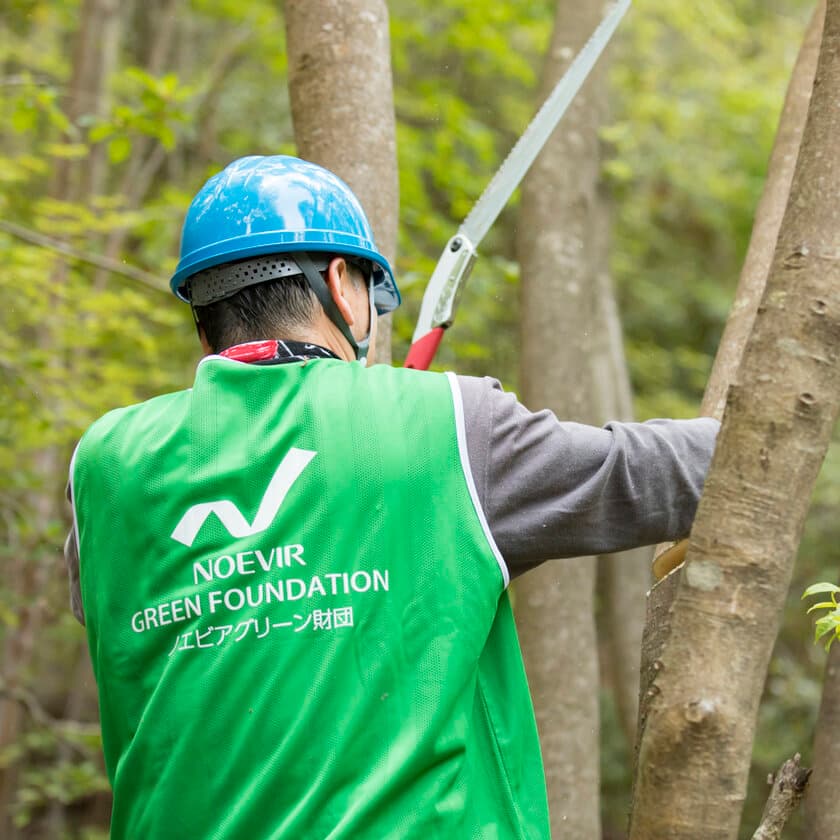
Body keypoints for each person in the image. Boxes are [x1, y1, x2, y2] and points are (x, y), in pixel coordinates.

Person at [66, 154, 718, 839]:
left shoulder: (104, 465)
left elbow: (115, 608)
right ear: (343, 289)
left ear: (203, 320)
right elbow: (669, 474)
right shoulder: (448, 425)